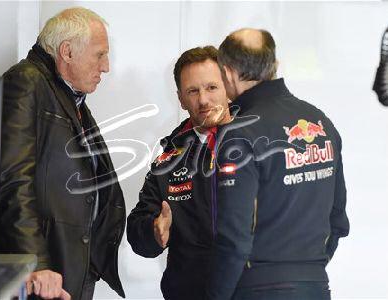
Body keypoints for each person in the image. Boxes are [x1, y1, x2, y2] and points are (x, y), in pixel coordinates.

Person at [206, 28, 350, 300]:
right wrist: (304, 271)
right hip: (316, 286)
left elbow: (234, 237)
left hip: (257, 287)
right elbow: (338, 220)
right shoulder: (321, 123)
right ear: (274, 65)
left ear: (228, 72)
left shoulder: (239, 133)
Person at [0, 7, 125, 300]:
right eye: (100, 55)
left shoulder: (66, 94)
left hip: (68, 269)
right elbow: (12, 180)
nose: (106, 67)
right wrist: (35, 262)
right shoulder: (26, 82)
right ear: (67, 52)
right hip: (43, 276)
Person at [127, 46, 233, 300]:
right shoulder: (167, 159)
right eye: (193, 91)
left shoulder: (259, 142)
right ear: (181, 99)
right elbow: (136, 228)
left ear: (228, 87)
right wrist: (153, 230)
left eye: (211, 87)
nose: (203, 100)